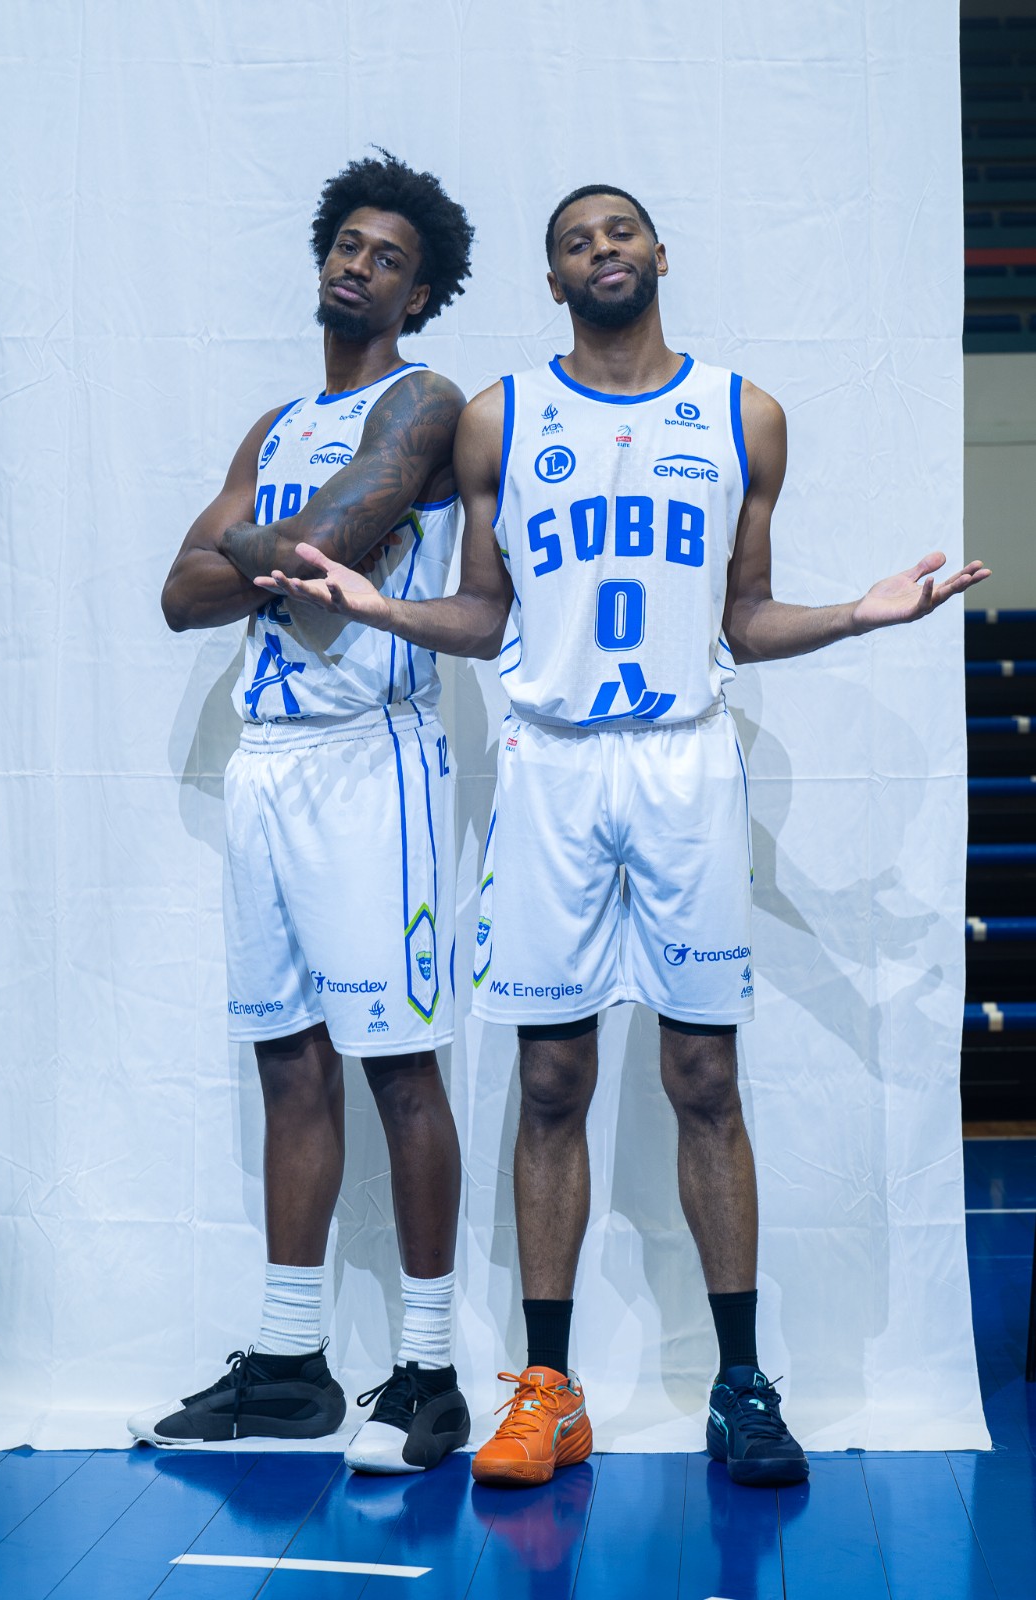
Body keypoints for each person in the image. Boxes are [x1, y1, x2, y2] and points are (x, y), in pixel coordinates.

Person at [257, 183, 989, 1488]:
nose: (601, 248)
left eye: (619, 231)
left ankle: (741, 1385)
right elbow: (487, 615)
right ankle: (547, 1392)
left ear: (660, 253)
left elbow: (743, 617)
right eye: (573, 241)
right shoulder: (500, 418)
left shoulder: (742, 415)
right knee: (550, 1082)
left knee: (704, 1077)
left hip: (683, 766)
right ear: (552, 281)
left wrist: (856, 616)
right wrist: (376, 608)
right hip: (551, 768)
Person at [128, 151, 476, 1475]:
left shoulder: (424, 401)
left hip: (372, 759)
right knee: (287, 1057)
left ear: (419, 293)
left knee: (399, 1063)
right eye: (347, 246)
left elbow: (334, 540)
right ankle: (289, 1368)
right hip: (267, 760)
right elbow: (181, 595)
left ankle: (431, 1374)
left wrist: (265, 552)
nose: (358, 267)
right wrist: (280, 555)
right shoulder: (273, 428)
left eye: (388, 258)